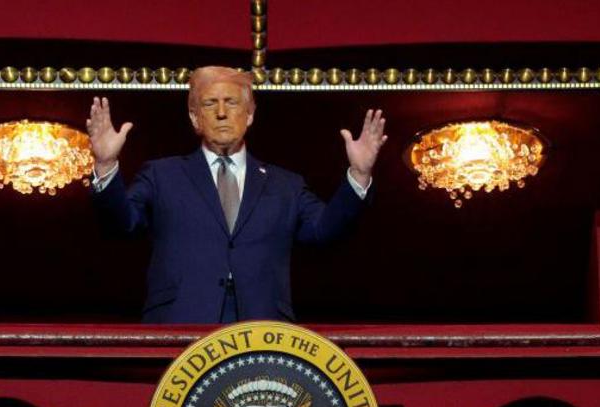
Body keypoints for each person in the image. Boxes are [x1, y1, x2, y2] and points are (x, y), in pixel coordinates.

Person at [88, 65, 387, 323]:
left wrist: (359, 175)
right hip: (182, 326)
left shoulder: (286, 186)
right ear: (194, 118)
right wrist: (105, 164)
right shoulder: (161, 175)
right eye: (209, 104)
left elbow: (325, 232)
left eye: (231, 102)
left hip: (262, 330)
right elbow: (122, 224)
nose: (221, 113)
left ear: (250, 114)